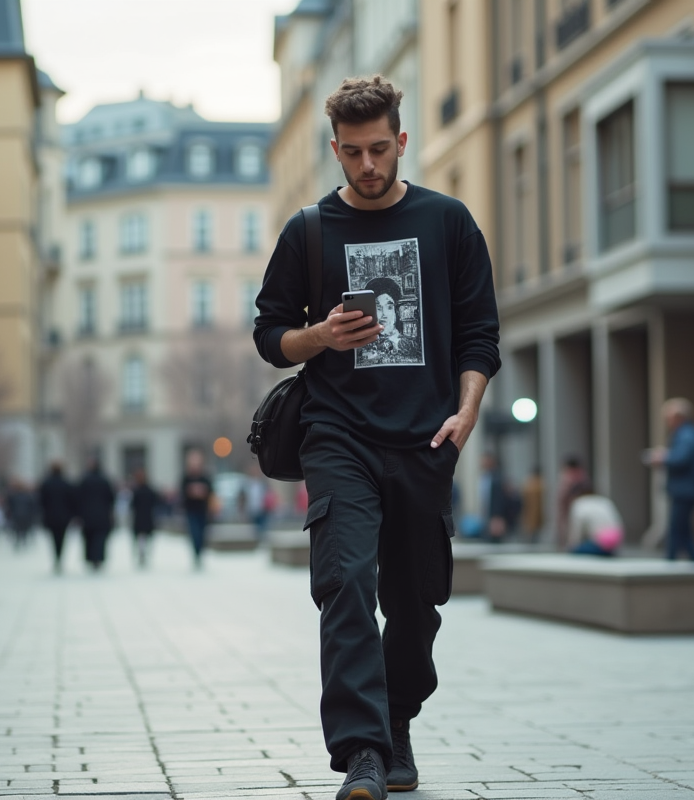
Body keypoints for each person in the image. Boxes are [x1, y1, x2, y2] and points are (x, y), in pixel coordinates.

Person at [254, 75, 501, 799]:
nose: (366, 166)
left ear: (401, 140)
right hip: (338, 436)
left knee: (417, 601)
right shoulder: (308, 231)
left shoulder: (447, 222)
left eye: (378, 150)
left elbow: (480, 335)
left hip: (426, 440)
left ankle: (398, 717)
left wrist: (467, 412)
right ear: (335, 149)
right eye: (352, 153)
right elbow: (271, 337)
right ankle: (362, 751)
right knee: (347, 583)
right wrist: (320, 335)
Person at [647, 397, 694, 562]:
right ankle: (693, 562)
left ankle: (672, 563)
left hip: (684, 489)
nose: (667, 422)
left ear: (678, 417)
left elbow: (682, 458)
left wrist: (663, 458)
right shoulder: (687, 434)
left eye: (669, 418)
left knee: (677, 529)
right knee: (682, 529)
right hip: (685, 488)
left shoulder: (686, 434)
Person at [356, 276, 420, 366]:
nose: (384, 314)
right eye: (378, 308)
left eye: (389, 307)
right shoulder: (363, 346)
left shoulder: (410, 345)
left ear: (396, 311)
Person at [76, 457, 116, 571]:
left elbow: (79, 498)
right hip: (102, 515)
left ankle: (90, 558)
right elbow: (111, 498)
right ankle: (98, 558)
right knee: (100, 538)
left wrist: (79, 513)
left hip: (87, 515)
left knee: (89, 538)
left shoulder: (85, 480)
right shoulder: (105, 480)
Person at [564, 483, 624, 557]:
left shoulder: (579, 503)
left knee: (575, 550)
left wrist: (571, 546)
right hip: (615, 542)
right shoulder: (604, 501)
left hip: (600, 544)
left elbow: (576, 533)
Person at [39, 461, 76, 573]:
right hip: (64, 516)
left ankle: (57, 558)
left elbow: (42, 501)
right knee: (62, 538)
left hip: (50, 516)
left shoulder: (46, 483)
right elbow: (72, 500)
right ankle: (59, 558)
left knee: (53, 538)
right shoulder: (66, 483)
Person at [179, 449, 213, 569]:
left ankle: (200, 553)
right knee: (194, 533)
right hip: (191, 510)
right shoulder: (186, 478)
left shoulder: (205, 478)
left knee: (202, 533)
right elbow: (182, 493)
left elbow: (211, 492)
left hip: (203, 510)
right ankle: (196, 554)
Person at [554, 455, 590, 548]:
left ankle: (571, 546)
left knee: (569, 531)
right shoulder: (582, 476)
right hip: (577, 508)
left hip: (572, 509)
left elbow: (562, 496)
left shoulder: (567, 477)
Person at [129, 467, 161, 568]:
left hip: (141, 517)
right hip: (146, 517)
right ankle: (142, 553)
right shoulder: (148, 490)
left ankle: (142, 553)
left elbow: (132, 504)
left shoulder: (137, 490)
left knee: (141, 538)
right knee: (144, 538)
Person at [6, 479, 38, 550]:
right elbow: (32, 507)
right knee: (24, 529)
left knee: (18, 529)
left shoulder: (13, 496)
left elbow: (10, 507)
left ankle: (19, 540)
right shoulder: (28, 496)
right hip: (25, 515)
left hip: (17, 515)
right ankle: (23, 540)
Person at [520, 466, 544, 540]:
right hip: (534, 513)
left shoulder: (528, 484)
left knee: (532, 534)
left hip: (530, 513)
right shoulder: (538, 484)